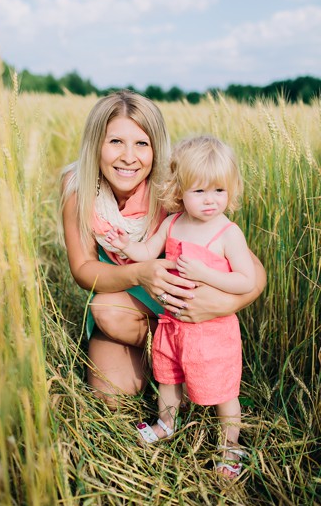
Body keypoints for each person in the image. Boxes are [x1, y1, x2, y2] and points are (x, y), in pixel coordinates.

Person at [59, 90, 265, 411]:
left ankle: (192, 357)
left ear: (157, 148)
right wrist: (141, 271)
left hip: (177, 306)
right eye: (115, 142)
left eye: (142, 143)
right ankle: (169, 361)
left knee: (111, 311)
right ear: (95, 144)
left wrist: (219, 305)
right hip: (128, 298)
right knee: (110, 392)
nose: (129, 156)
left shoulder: (172, 188)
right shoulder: (79, 187)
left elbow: (256, 275)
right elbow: (83, 269)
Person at [105, 135, 255, 478]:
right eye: (199, 191)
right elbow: (148, 253)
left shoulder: (228, 233)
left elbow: (245, 280)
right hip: (172, 325)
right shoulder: (172, 223)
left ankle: (230, 446)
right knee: (168, 378)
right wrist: (127, 245)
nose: (210, 201)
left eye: (219, 191)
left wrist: (205, 274)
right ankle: (166, 423)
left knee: (223, 391)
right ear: (179, 189)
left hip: (213, 332)